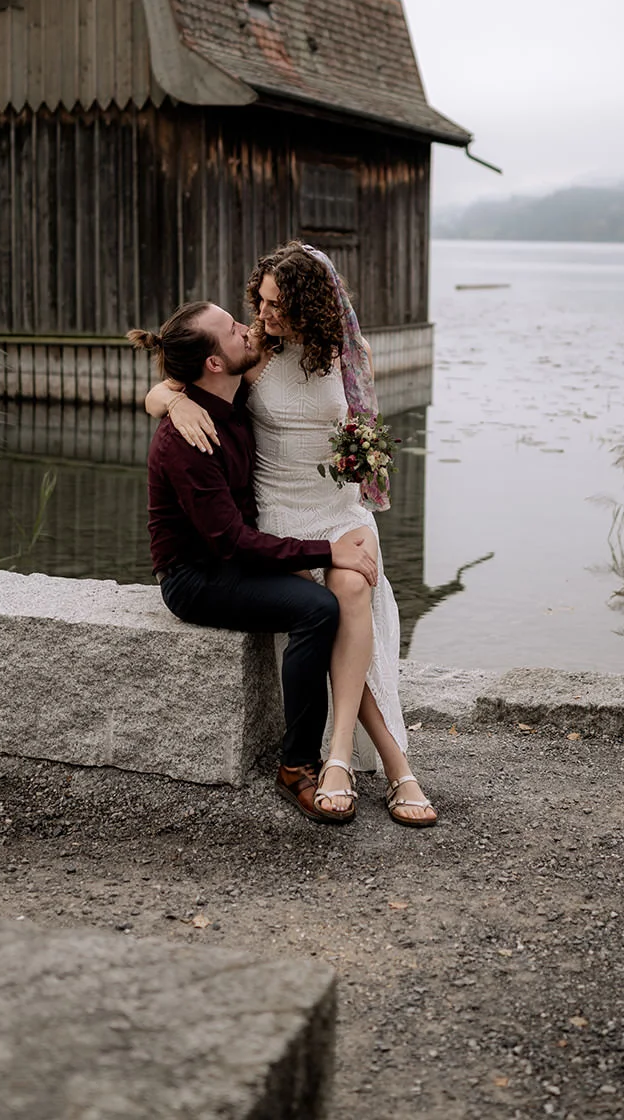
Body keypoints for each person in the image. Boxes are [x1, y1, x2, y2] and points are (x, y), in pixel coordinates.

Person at [145, 244, 437, 828]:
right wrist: (171, 402)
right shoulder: (255, 353)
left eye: (275, 304)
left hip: (338, 508)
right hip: (279, 514)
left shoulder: (350, 357)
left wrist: (363, 461)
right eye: (259, 301)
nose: (260, 315)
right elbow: (177, 380)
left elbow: (363, 428)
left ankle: (345, 757)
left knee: (351, 589)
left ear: (308, 305)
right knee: (328, 603)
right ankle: (367, 765)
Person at [128, 301, 379, 823]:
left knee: (328, 598)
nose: (248, 328)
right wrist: (328, 551)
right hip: (195, 577)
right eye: (233, 329)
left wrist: (168, 397)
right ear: (214, 362)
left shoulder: (229, 395)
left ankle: (338, 748)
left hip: (233, 557)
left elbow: (162, 391)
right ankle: (296, 765)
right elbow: (232, 542)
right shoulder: (186, 439)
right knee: (316, 608)